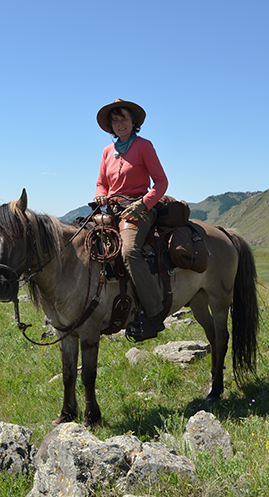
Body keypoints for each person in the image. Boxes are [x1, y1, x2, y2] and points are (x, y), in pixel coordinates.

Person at [94, 98, 168, 339]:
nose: (119, 123)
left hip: (137, 208)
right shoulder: (107, 151)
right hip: (111, 209)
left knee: (129, 252)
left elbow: (161, 182)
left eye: (123, 118)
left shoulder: (144, 146)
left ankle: (153, 314)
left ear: (133, 121)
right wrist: (101, 195)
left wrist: (142, 205)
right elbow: (101, 183)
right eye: (114, 120)